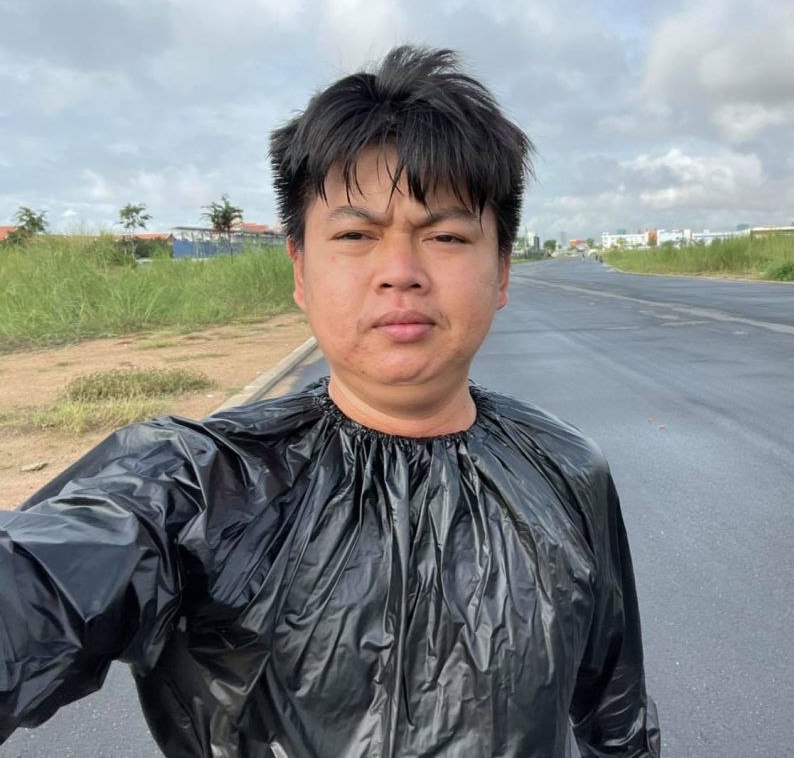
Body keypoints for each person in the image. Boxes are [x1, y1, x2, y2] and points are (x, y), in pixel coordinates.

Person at [0, 46, 660, 757]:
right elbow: (41, 582)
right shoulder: (201, 485)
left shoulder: (567, 471)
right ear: (300, 269)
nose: (400, 272)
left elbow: (616, 715)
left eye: (445, 235)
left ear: (500, 269)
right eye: (355, 235)